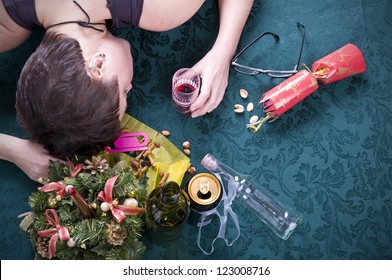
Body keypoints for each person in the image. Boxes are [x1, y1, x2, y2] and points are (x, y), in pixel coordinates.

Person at [0, 0, 254, 181]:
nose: (130, 87)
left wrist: (223, 51)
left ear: (97, 65)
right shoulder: (5, 25)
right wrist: (12, 149)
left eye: (123, 91)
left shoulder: (164, 8)